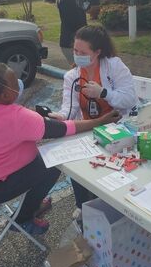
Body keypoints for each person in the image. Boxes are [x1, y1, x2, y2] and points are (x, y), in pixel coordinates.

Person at [0, 64, 121, 236]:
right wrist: (101, 121)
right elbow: (62, 129)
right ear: (5, 95)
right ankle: (22, 219)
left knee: (40, 160)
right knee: (52, 164)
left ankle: (34, 202)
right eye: (14, 82)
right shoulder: (15, 117)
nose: (18, 82)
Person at [55, 25, 138, 215]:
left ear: (98, 52)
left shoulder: (114, 66)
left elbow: (129, 99)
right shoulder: (72, 76)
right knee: (76, 166)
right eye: (75, 50)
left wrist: (104, 93)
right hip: (89, 129)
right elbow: (70, 108)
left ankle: (112, 205)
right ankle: (82, 205)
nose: (77, 55)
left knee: (111, 173)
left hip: (117, 129)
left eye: (83, 52)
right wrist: (59, 118)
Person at [56, 0, 89, 65]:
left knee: (82, 72)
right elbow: (74, 24)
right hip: (71, 44)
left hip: (74, 42)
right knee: (81, 73)